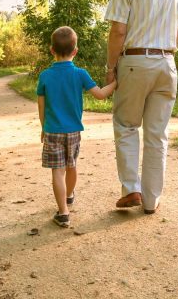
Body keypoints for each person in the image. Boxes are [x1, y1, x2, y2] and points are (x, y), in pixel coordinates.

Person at [104, 0, 178, 215]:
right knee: (157, 134)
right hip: (167, 63)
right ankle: (151, 200)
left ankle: (131, 189)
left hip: (135, 62)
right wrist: (166, 52)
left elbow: (118, 31)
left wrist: (110, 68)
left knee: (127, 125)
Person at [37, 26, 117, 227]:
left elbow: (41, 105)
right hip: (73, 130)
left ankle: (63, 212)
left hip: (52, 130)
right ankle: (69, 194)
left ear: (51, 50)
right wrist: (117, 83)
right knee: (71, 165)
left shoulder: (45, 76)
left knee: (57, 171)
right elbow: (99, 94)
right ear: (75, 50)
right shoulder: (80, 74)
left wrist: (43, 127)